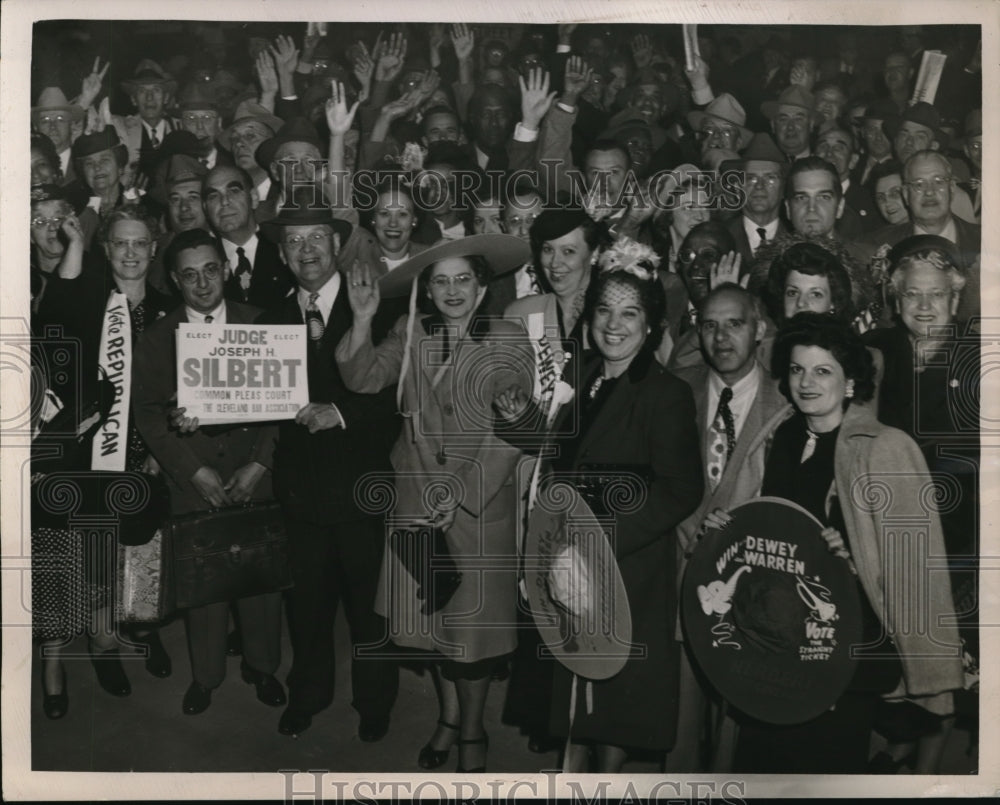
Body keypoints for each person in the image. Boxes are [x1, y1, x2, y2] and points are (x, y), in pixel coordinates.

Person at [718, 313, 963, 773]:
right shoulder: (776, 437)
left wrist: (852, 554)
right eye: (797, 370)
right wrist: (727, 526)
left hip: (845, 650)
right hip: (769, 647)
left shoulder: (883, 446)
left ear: (850, 382)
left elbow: (913, 565)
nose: (806, 382)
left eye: (822, 371)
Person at [494, 256, 703, 772]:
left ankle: (603, 777)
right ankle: (574, 763)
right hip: (567, 545)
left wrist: (598, 538)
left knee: (618, 681)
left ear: (651, 326)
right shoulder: (582, 371)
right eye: (605, 311)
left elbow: (682, 490)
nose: (614, 324)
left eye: (629, 314)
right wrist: (518, 416)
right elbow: (556, 446)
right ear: (589, 318)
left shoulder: (665, 393)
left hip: (625, 554)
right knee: (575, 664)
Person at [336, 235, 533, 773]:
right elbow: (361, 377)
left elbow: (516, 432)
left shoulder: (508, 338)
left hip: (476, 507)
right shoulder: (411, 331)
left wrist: (465, 495)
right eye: (440, 281)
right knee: (432, 632)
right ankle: (447, 719)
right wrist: (360, 319)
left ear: (483, 285)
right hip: (415, 501)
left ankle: (472, 733)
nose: (451, 291)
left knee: (471, 642)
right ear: (427, 289)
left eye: (462, 279)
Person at [254, 197, 400, 742]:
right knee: (307, 606)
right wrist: (202, 410)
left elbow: (396, 399)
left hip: (362, 486)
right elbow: (249, 401)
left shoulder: (381, 309)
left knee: (370, 607)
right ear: (282, 254)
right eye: (294, 242)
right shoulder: (269, 320)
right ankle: (308, 696)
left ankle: (375, 702)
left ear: (338, 246)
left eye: (317, 238)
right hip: (301, 491)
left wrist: (340, 412)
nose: (306, 250)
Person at [132, 229, 284, 715]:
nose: (202, 283)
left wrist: (260, 463)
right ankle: (207, 677)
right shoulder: (157, 339)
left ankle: (263, 669)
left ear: (226, 268)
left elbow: (287, 406)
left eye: (210, 270)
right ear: (176, 280)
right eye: (190, 275)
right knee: (204, 590)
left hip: (255, 474)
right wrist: (191, 470)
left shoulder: (263, 324)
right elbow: (149, 415)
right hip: (194, 479)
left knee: (261, 582)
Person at [34, 203, 178, 710]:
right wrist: (72, 245)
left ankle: (116, 637)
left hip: (145, 452)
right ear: (106, 248)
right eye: (120, 242)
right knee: (70, 557)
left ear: (154, 248)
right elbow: (53, 315)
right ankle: (54, 662)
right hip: (82, 449)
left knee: (131, 558)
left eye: (141, 242)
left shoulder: (169, 309)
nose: (131, 252)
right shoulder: (90, 297)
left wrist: (165, 449)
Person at [864, 235, 979, 772]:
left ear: (956, 298)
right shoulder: (877, 351)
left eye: (936, 294)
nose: (925, 305)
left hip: (958, 533)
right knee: (894, 649)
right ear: (896, 298)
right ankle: (900, 748)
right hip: (888, 525)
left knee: (945, 654)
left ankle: (931, 767)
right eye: (912, 294)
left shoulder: (978, 358)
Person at [668, 284, 793, 772]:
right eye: (709, 325)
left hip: (752, 587)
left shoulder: (787, 401)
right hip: (680, 575)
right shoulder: (677, 386)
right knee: (680, 721)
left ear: (759, 330)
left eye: (734, 324)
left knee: (737, 727)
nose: (721, 337)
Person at [865, 150, 981, 325]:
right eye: (919, 184)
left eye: (938, 182)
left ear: (951, 189)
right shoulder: (877, 245)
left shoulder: (986, 242)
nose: (929, 192)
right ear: (905, 194)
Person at [202, 164, 295, 309]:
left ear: (254, 197)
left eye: (233, 191)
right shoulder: (202, 260)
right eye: (213, 196)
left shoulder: (284, 248)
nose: (224, 202)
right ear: (205, 208)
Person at [725, 133, 787, 263]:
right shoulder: (721, 236)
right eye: (751, 178)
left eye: (770, 178)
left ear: (783, 189)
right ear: (737, 188)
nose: (759, 186)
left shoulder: (795, 242)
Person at [761, 85, 815, 162]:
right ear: (773, 125)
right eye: (783, 119)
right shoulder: (762, 166)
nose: (790, 127)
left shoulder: (825, 164)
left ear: (811, 124)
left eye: (798, 119)